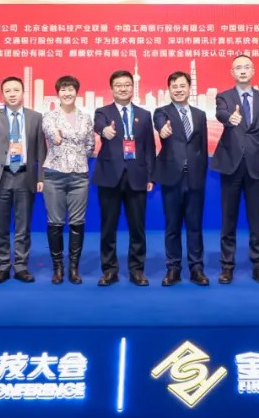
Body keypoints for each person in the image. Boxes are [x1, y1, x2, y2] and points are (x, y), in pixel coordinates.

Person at [212, 54, 259, 285]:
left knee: (256, 219)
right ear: (232, 72)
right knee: (228, 218)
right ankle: (227, 267)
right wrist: (230, 118)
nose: (242, 71)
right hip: (231, 165)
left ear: (253, 71)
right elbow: (220, 113)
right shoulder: (224, 97)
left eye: (246, 67)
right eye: (238, 67)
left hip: (257, 165)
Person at [0, 76, 45, 284]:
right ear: (2, 95)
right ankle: (3, 266)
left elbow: (41, 150)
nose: (12, 94)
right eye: (7, 91)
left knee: (23, 226)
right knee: (0, 225)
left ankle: (22, 266)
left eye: (16, 90)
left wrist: (41, 176)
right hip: (1, 176)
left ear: (23, 93)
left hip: (25, 176)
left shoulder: (35, 117)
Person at [93, 69, 155, 286]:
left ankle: (137, 270)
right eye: (118, 85)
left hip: (137, 177)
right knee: (108, 227)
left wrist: (150, 176)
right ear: (111, 89)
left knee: (137, 227)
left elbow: (149, 147)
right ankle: (109, 270)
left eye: (127, 85)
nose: (123, 89)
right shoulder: (103, 112)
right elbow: (99, 126)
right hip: (109, 177)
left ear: (133, 87)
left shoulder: (144, 115)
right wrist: (104, 131)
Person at [153, 71, 210, 287]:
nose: (178, 90)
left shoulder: (200, 114)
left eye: (182, 86)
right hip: (172, 178)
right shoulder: (162, 112)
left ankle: (196, 268)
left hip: (194, 177)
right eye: (174, 86)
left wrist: (202, 173)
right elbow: (160, 123)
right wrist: (162, 129)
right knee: (172, 225)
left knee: (195, 225)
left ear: (189, 88)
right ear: (169, 90)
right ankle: (173, 268)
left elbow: (202, 147)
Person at [40, 75, 95, 285]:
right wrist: (57, 138)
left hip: (79, 176)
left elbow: (90, 145)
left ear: (76, 92)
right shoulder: (49, 116)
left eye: (70, 89)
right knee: (55, 222)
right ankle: (58, 268)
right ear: (57, 93)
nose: (67, 93)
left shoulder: (86, 117)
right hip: (54, 175)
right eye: (63, 89)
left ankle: (73, 268)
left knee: (77, 222)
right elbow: (51, 132)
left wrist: (75, 153)